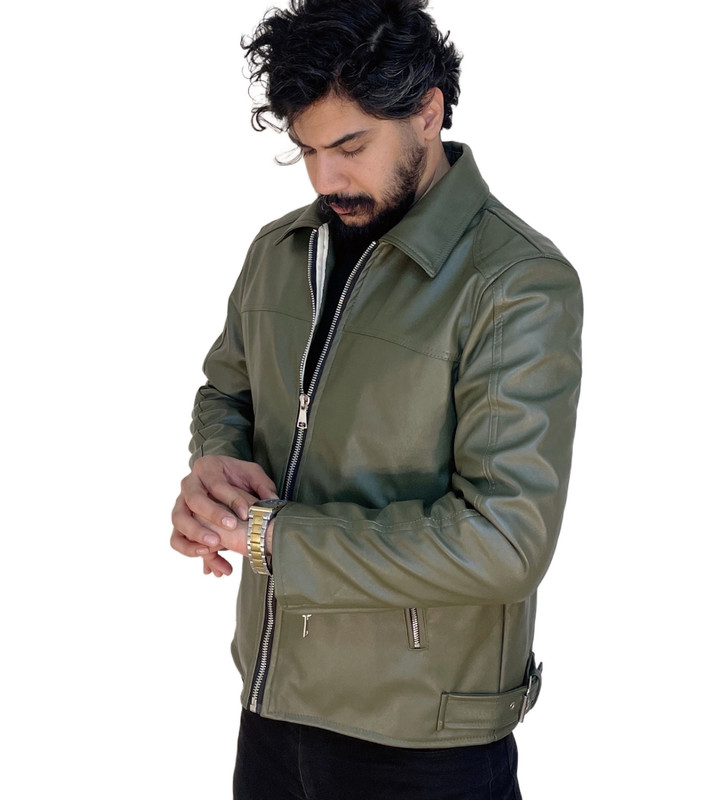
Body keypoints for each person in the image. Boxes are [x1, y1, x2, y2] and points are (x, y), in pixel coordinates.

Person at [170, 1, 582, 797]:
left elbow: (504, 542)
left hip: (422, 743)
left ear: (427, 112)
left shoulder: (516, 283)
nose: (326, 179)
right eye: (307, 150)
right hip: (271, 708)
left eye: (351, 146)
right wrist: (217, 467)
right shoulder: (281, 250)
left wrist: (271, 538)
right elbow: (228, 389)